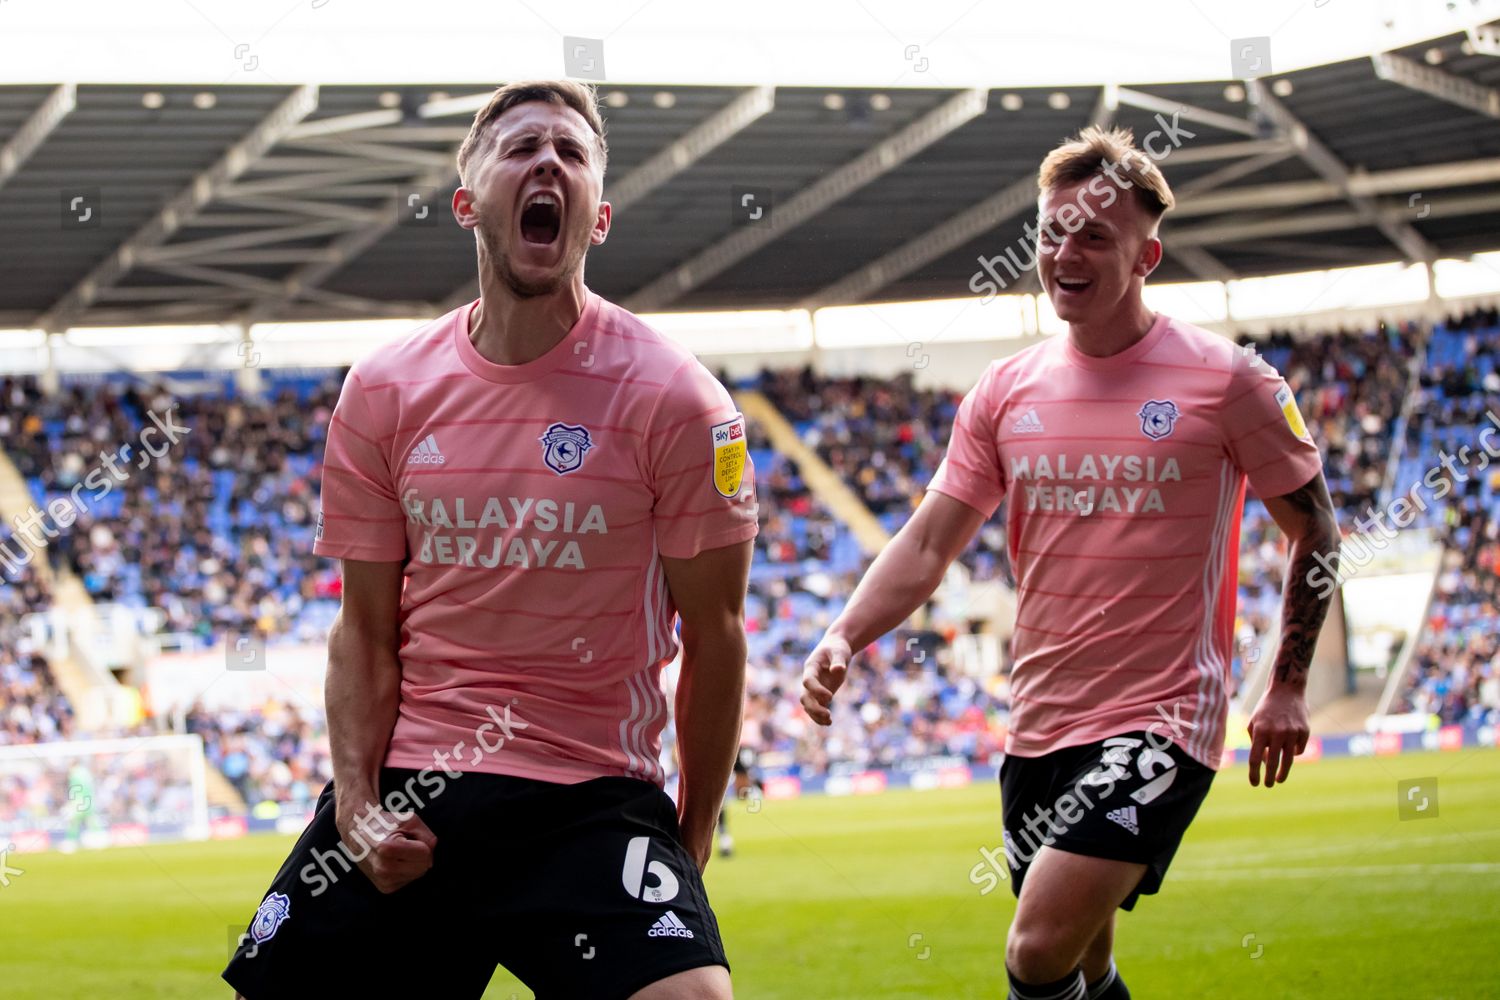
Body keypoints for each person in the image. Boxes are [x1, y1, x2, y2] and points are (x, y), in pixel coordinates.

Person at [224, 80, 758, 1000]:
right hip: (415, 791)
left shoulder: (681, 401)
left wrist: (691, 832)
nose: (548, 162)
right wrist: (355, 805)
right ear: (467, 201)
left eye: (572, 153)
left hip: (590, 798)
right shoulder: (384, 389)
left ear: (598, 217)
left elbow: (716, 639)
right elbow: (363, 629)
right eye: (520, 149)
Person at [800, 126, 1341, 1000]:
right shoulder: (1004, 392)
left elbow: (1315, 530)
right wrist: (845, 631)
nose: (1065, 254)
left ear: (1146, 256)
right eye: (1053, 233)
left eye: (1095, 236)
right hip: (1041, 724)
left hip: (1162, 719)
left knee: (1037, 948)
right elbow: (931, 541)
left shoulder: (1231, 382)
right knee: (1086, 966)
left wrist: (1285, 683)